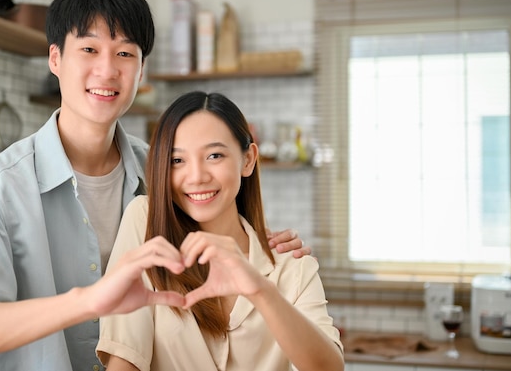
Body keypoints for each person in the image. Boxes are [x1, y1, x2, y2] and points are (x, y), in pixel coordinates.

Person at [0, 0, 308, 371]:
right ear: (55, 59)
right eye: (90, 49)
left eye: (125, 54)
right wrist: (87, 301)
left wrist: (263, 245)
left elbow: (221, 242)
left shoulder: (164, 174)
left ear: (141, 69)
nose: (107, 70)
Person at [96, 91, 344, 371]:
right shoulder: (145, 222)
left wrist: (262, 291)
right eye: (177, 161)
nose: (197, 176)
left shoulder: (292, 268)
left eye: (214, 155)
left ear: (248, 160)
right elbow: (124, 358)